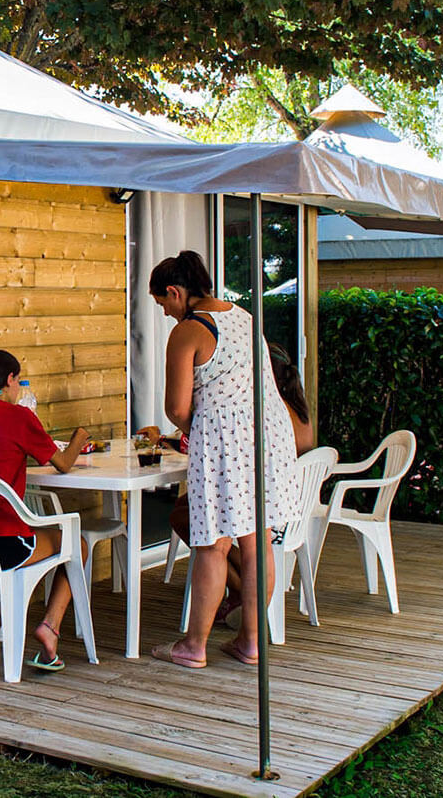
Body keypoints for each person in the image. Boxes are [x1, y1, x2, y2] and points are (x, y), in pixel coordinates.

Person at [145, 251, 299, 668]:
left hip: (225, 441)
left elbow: (176, 408)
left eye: (163, 304)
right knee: (257, 540)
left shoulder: (190, 330)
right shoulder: (244, 316)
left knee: (213, 543)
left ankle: (193, 646)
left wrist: (194, 431)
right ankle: (250, 642)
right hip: (269, 434)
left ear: (176, 292)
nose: (165, 313)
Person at [151, 340, 316, 626]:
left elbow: (233, 449)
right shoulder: (295, 410)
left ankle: (240, 589)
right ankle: (240, 591)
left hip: (271, 511)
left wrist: (170, 439)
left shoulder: (270, 411)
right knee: (187, 509)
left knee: (191, 518)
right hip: (289, 505)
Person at [0, 348, 93, 672]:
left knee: (45, 543)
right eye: (17, 381)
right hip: (8, 543)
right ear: (11, 379)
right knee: (77, 545)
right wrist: (80, 437)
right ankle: (50, 628)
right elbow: (64, 463)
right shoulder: (18, 417)